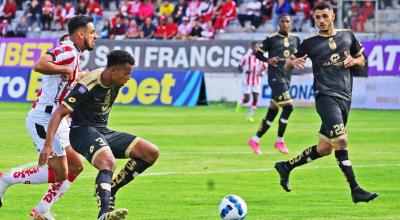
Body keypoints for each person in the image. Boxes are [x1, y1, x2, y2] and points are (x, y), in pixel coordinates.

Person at [275, 2, 378, 203]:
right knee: (341, 140)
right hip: (325, 97)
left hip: (345, 98)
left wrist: (354, 62)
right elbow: (288, 64)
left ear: (332, 16)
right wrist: (291, 64)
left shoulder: (347, 35)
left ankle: (285, 167)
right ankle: (355, 190)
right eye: (317, 18)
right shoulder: (310, 42)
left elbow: (361, 60)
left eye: (324, 16)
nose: (321, 21)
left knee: (324, 148)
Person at [39, 50, 160, 220]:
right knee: (108, 162)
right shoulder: (88, 86)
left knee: (151, 152)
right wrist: (48, 145)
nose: (129, 78)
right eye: (126, 74)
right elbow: (59, 113)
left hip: (102, 131)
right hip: (81, 131)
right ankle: (104, 213)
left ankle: (110, 190)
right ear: (113, 71)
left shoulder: (115, 80)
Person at [0, 15, 97, 220]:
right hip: (44, 119)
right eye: (91, 32)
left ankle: (43, 209)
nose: (95, 36)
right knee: (60, 173)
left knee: (76, 166)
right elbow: (39, 64)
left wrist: (77, 75)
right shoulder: (68, 49)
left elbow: (65, 76)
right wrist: (64, 69)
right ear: (81, 33)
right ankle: (6, 179)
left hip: (57, 119)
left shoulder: (75, 53)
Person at [247, 14, 299, 155]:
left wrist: (298, 61)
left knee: (273, 112)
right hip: (275, 78)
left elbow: (299, 55)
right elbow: (258, 54)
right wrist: (267, 60)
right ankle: (279, 140)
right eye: (282, 21)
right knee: (288, 107)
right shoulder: (271, 39)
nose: (285, 24)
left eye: (287, 21)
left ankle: (255, 139)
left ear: (291, 23)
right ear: (278, 23)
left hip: (287, 78)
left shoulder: (296, 39)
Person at [236, 42, 267, 122]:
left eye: (257, 46)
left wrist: (262, 73)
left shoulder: (261, 58)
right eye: (254, 47)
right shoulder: (246, 57)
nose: (255, 48)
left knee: (256, 98)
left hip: (257, 80)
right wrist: (244, 71)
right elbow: (239, 67)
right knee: (247, 98)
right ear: (251, 47)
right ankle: (240, 102)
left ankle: (250, 115)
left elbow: (265, 68)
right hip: (247, 80)